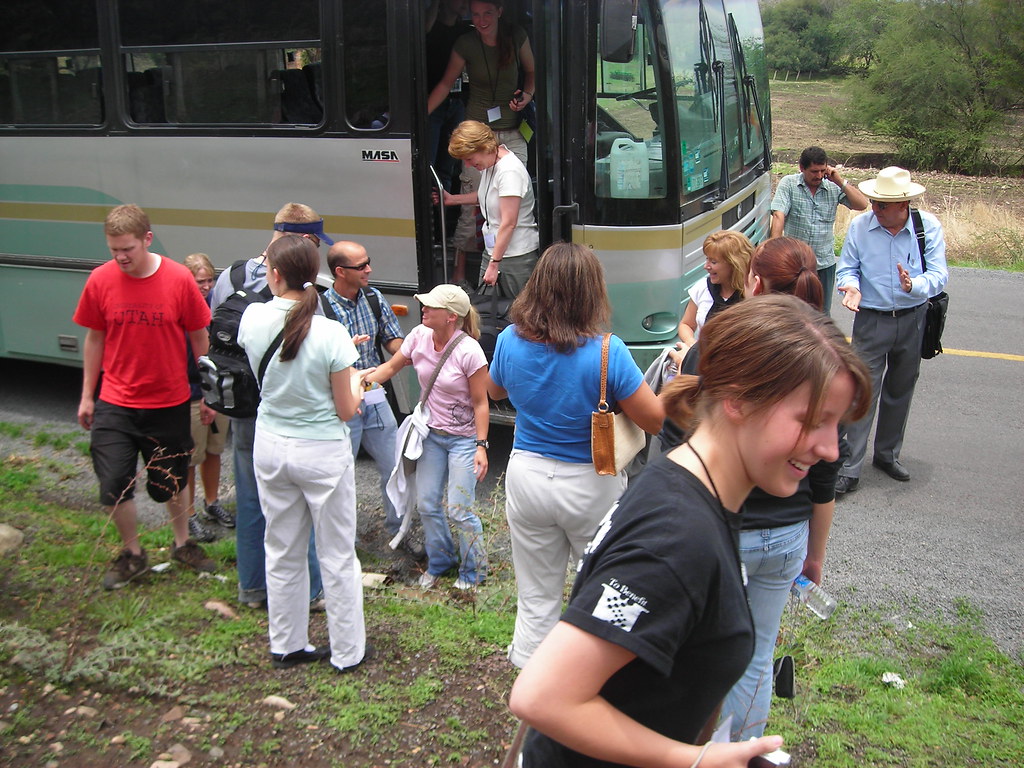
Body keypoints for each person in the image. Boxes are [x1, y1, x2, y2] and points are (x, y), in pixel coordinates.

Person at [508, 294, 872, 768]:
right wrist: (695, 760)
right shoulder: (676, 538)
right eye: (811, 421)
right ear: (737, 398)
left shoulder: (690, 485)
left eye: (836, 426)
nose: (829, 449)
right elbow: (542, 698)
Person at [487, 243, 665, 669]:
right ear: (592, 292)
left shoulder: (510, 339)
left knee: (536, 595)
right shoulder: (607, 351)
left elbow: (495, 391)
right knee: (602, 587)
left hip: (526, 474)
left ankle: (532, 682)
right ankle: (590, 678)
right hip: (591, 481)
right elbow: (655, 420)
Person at [715, 237, 837, 741]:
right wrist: (815, 554)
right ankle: (747, 751)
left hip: (725, 531)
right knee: (758, 653)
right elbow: (826, 479)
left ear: (755, 282)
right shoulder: (831, 359)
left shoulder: (724, 344)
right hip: (788, 536)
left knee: (708, 651)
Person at [237, 235, 370, 672]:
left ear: (274, 275)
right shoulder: (331, 332)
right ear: (317, 273)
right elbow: (347, 410)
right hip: (321, 452)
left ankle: (287, 644)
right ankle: (348, 652)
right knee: (336, 554)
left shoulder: (252, 318)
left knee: (281, 546)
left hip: (272, 445)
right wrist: (361, 382)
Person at [74, 204, 217, 589]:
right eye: (113, 250)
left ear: (147, 240)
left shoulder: (178, 279)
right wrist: (88, 395)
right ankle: (133, 554)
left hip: (169, 401)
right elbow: (94, 338)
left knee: (170, 481)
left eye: (127, 249)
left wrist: (207, 392)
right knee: (113, 481)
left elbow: (199, 338)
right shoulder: (100, 280)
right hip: (115, 401)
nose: (120, 257)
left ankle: (183, 544)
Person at [208, 202, 334, 609]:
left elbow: (217, 332)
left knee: (249, 497)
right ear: (309, 240)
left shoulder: (232, 276)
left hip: (242, 403)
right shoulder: (316, 287)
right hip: (292, 410)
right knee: (303, 504)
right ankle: (312, 591)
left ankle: (252, 587)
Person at [366, 284, 489, 589]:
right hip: (431, 435)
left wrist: (481, 446)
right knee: (427, 504)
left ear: (450, 316)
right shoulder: (419, 336)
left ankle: (473, 573)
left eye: (430, 306)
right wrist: (357, 385)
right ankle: (441, 561)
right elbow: (391, 368)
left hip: (463, 438)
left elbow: (481, 402)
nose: (423, 309)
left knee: (460, 510)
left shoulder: (469, 351)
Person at [834, 167, 948, 495]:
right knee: (861, 392)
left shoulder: (927, 227)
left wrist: (916, 285)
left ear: (904, 205)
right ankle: (849, 467)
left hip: (914, 318)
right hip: (871, 319)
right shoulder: (860, 227)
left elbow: (940, 274)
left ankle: (887, 455)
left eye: (882, 205)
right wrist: (850, 288)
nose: (875, 209)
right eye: (873, 202)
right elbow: (848, 267)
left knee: (900, 389)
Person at [427, 0, 535, 282]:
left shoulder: (517, 36)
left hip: (512, 132)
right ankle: (460, 274)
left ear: (500, 11)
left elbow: (532, 73)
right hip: (478, 134)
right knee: (470, 210)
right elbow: (444, 84)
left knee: (512, 203)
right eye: (475, 14)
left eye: (487, 13)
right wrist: (418, 117)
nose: (482, 19)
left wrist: (528, 95)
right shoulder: (466, 43)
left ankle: (505, 267)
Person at [322, 241, 408, 545]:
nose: (369, 269)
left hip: (374, 393)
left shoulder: (373, 297)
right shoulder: (320, 308)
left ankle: (398, 530)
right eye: (361, 266)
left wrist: (410, 352)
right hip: (343, 400)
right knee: (341, 474)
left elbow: (392, 339)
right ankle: (342, 541)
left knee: (393, 466)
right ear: (340, 272)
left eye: (368, 262)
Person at [443, 119, 539, 295]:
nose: (468, 165)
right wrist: (452, 199)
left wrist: (494, 263)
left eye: (469, 159)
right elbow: (488, 196)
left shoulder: (509, 171)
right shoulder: (491, 162)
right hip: (496, 252)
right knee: (488, 312)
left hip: (513, 256)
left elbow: (509, 222)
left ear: (484, 147)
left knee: (513, 315)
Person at [770, 146, 869, 313]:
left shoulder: (832, 187)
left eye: (822, 171)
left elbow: (862, 204)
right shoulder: (789, 184)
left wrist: (839, 181)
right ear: (802, 168)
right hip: (796, 263)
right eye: (814, 171)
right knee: (792, 310)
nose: (818, 176)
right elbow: (779, 215)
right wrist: (774, 250)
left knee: (821, 312)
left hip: (823, 263)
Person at [182, 252, 233, 543]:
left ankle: (212, 503)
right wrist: (201, 393)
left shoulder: (217, 305)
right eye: (199, 281)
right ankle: (187, 516)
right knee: (191, 457)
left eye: (209, 280)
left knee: (214, 450)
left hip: (216, 391)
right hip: (192, 394)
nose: (205, 287)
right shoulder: (181, 309)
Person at [676, 230, 752, 348]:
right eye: (707, 259)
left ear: (734, 264)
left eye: (713, 262)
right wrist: (691, 343)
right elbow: (686, 324)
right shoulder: (702, 288)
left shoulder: (752, 296)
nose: (706, 266)